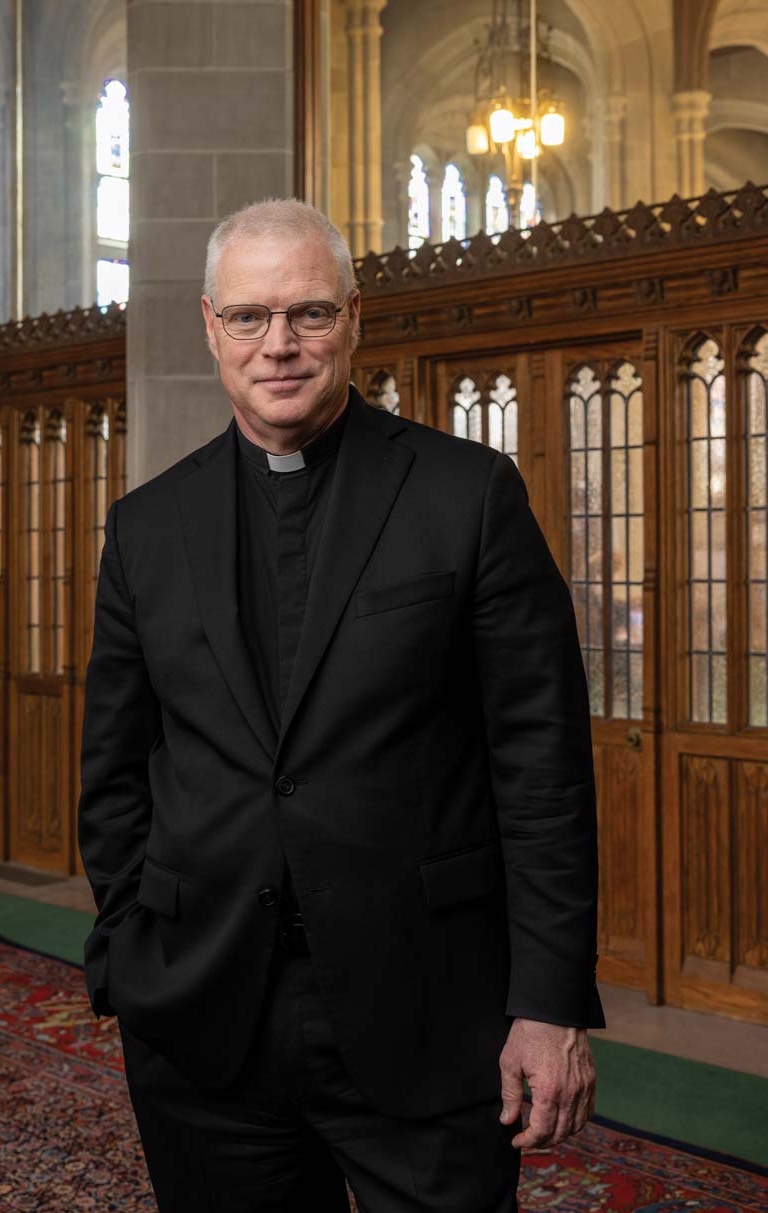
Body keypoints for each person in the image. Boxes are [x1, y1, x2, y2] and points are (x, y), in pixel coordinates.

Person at [77, 197, 604, 1212]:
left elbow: (541, 768)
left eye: (308, 314)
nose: (279, 344)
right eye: (249, 317)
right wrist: (124, 952)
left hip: (427, 1007)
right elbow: (114, 766)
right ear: (209, 326)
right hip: (202, 1010)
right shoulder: (146, 527)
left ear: (354, 317)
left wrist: (545, 1001)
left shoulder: (467, 495)